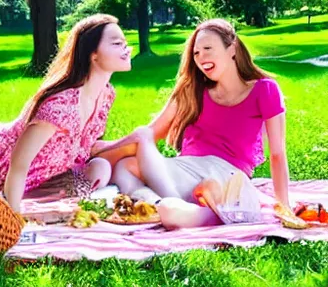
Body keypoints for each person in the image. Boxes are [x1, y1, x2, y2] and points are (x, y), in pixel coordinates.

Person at [0, 14, 131, 210]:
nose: (127, 49)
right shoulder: (62, 106)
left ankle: (20, 205)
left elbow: (86, 145)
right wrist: (14, 221)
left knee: (100, 169)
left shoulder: (105, 95)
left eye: (125, 42)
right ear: (92, 54)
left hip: (31, 182)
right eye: (116, 43)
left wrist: (135, 140)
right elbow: (19, 165)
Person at [101, 19, 290, 228]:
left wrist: (285, 207)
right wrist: (104, 149)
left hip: (227, 174)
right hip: (186, 169)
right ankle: (155, 206)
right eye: (196, 53)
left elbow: (277, 155)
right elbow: (151, 133)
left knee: (171, 210)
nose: (201, 58)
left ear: (232, 48)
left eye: (208, 48)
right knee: (125, 166)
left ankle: (196, 211)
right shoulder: (192, 90)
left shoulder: (264, 90)